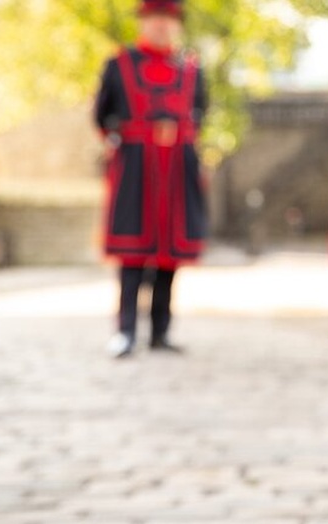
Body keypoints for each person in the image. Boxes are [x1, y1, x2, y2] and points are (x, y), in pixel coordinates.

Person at [94, 0, 208, 358]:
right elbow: (102, 116)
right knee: (132, 254)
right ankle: (125, 331)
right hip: (136, 170)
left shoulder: (191, 68)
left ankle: (161, 331)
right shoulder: (119, 64)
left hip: (176, 170)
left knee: (168, 256)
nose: (162, 26)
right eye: (155, 19)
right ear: (143, 22)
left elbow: (201, 111)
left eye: (168, 20)